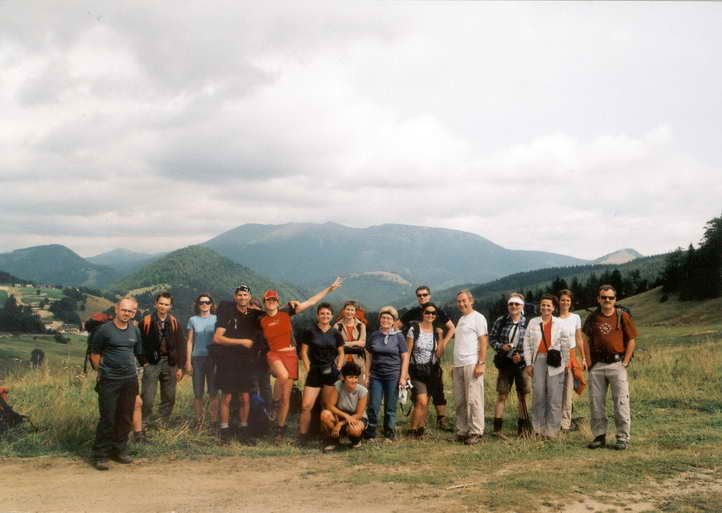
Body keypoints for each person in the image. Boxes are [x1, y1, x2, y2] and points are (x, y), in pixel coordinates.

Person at [260, 277, 343, 440]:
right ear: (264, 302)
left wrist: (329, 289)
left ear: (278, 302)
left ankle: (280, 428)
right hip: (274, 353)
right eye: (268, 300)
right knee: (282, 376)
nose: (271, 302)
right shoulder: (259, 317)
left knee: (286, 398)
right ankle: (273, 403)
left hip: (290, 355)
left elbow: (311, 302)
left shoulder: (286, 311)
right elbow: (245, 310)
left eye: (274, 300)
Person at [89, 297, 143, 471]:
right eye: (124, 310)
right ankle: (101, 455)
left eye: (131, 311)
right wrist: (102, 372)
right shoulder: (104, 330)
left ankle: (119, 451)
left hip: (130, 379)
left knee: (125, 417)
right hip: (109, 380)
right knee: (108, 417)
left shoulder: (135, 331)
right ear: (117, 309)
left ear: (134, 313)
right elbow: (94, 354)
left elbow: (136, 353)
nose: (127, 313)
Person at [583, 284, 638, 450]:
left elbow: (631, 340)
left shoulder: (622, 316)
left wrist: (625, 362)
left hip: (617, 364)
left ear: (615, 299)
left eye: (610, 297)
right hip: (597, 365)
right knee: (596, 402)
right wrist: (589, 363)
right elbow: (585, 340)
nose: (607, 300)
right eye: (604, 297)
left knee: (621, 401)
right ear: (598, 299)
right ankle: (599, 436)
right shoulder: (593, 317)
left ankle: (622, 437)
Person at [212, 284, 264, 443]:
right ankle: (224, 431)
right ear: (235, 297)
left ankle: (244, 430)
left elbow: (274, 312)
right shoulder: (227, 313)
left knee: (245, 397)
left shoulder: (254, 314)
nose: (242, 297)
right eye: (240, 295)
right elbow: (217, 338)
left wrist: (291, 305)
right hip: (228, 361)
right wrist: (242, 341)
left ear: (250, 297)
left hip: (246, 362)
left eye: (245, 295)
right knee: (227, 397)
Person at [400, 285, 455, 431]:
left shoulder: (437, 311)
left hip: (432, 361)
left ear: (429, 295)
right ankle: (418, 426)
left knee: (436, 391)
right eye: (419, 295)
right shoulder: (413, 314)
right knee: (421, 398)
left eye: (424, 295)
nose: (422, 297)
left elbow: (452, 328)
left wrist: (442, 343)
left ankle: (438, 420)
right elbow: (397, 325)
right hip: (416, 363)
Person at [522, 294, 573, 439]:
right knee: (538, 395)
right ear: (540, 306)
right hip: (538, 360)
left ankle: (552, 432)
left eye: (548, 305)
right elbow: (526, 343)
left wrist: (566, 363)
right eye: (543, 305)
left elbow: (566, 344)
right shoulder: (533, 322)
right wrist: (529, 364)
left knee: (554, 396)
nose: (545, 307)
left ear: (554, 308)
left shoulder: (560, 323)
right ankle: (538, 429)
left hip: (555, 362)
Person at [298, 302, 345, 444]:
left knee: (327, 406)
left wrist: (338, 368)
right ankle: (303, 436)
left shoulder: (336, 333)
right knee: (306, 406)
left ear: (332, 316)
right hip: (314, 372)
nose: (325, 316)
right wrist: (308, 368)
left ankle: (329, 435)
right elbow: (304, 352)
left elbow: (341, 353)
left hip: (330, 372)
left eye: (328, 314)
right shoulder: (309, 331)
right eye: (322, 313)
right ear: (317, 315)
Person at [139, 292, 185, 430]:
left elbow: (181, 345)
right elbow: (139, 344)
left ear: (170, 306)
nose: (163, 307)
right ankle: (143, 422)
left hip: (170, 362)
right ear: (155, 304)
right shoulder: (146, 321)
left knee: (169, 396)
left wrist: (180, 367)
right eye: (161, 303)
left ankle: (162, 422)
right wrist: (144, 363)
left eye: (166, 304)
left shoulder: (175, 322)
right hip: (151, 363)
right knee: (147, 396)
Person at [489, 293, 531, 439]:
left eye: (517, 304)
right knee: (502, 394)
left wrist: (522, 356)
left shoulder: (529, 323)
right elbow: (492, 339)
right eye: (511, 304)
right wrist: (501, 347)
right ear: (508, 305)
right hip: (505, 363)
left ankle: (523, 430)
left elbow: (533, 345)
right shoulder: (501, 321)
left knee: (522, 396)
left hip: (522, 365)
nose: (514, 306)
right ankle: (497, 430)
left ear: (522, 306)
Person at [364, 306, 409, 442]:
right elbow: (368, 355)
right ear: (379, 319)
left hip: (393, 375)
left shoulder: (399, 337)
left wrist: (403, 377)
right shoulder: (374, 335)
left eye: (389, 318)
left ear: (394, 321)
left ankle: (389, 433)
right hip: (376, 375)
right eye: (383, 317)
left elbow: (405, 357)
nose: (385, 320)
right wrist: (367, 374)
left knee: (390, 406)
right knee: (373, 405)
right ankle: (370, 433)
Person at [452, 289, 488, 445]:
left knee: (474, 399)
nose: (461, 304)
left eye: (464, 300)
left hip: (472, 363)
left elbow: (483, 341)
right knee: (460, 400)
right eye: (459, 301)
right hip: (459, 364)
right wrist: (454, 365)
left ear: (471, 301)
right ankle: (462, 430)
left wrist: (481, 363)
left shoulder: (478, 318)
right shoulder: (461, 319)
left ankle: (476, 431)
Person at [405, 302, 443, 438]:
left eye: (433, 313)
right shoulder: (414, 329)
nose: (430, 315)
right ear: (423, 314)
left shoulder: (436, 331)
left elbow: (439, 354)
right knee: (421, 401)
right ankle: (412, 430)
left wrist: (441, 336)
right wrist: (405, 373)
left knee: (425, 403)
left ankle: (420, 430)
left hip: (431, 371)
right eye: (427, 312)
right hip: (416, 371)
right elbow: (407, 352)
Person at [185, 293, 219, 429]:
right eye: (201, 302)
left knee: (213, 392)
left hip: (213, 359)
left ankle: (213, 421)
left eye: (207, 302)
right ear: (197, 305)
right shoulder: (192, 320)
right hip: (197, 359)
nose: (204, 304)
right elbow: (189, 341)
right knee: (198, 393)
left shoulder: (217, 319)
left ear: (211, 304)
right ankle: (199, 421)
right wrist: (188, 361)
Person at [320, 361, 368, 452]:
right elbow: (330, 406)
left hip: (356, 417)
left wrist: (340, 424)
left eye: (356, 377)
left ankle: (356, 441)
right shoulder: (338, 385)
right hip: (341, 414)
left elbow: (359, 414)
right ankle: (333, 440)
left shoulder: (363, 391)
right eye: (350, 377)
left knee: (355, 429)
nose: (354, 380)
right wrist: (345, 416)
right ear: (343, 378)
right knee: (325, 414)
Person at [556, 289, 587, 433]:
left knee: (573, 387)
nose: (565, 303)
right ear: (558, 302)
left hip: (572, 354)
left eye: (568, 300)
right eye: (562, 300)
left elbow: (579, 339)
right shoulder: (554, 319)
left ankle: (565, 422)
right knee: (558, 389)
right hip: (557, 356)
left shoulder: (575, 317)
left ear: (571, 302)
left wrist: (584, 358)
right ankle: (558, 421)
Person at [334, 301, 367, 383]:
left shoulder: (361, 326)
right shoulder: (337, 326)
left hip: (358, 362)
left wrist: (347, 343)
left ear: (355, 312)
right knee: (341, 386)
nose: (349, 312)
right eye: (347, 309)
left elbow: (363, 343)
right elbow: (336, 344)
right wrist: (356, 343)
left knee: (359, 387)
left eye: (352, 310)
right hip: (342, 362)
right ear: (343, 311)